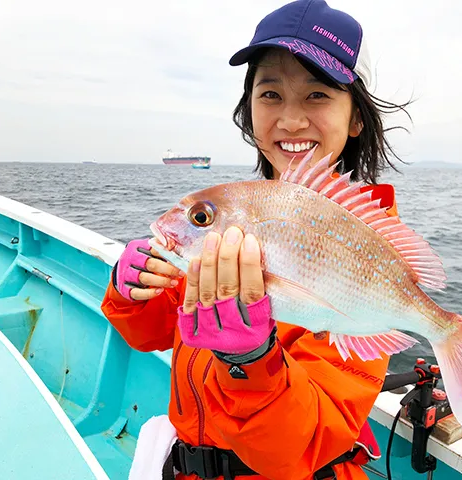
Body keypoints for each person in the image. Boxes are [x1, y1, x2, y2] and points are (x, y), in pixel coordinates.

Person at [101, 1, 412, 478]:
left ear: (356, 118)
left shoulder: (369, 249)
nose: (290, 119)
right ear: (248, 109)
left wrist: (250, 361)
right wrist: (132, 291)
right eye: (270, 94)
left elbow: (301, 448)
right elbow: (155, 333)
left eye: (317, 95)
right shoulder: (232, 217)